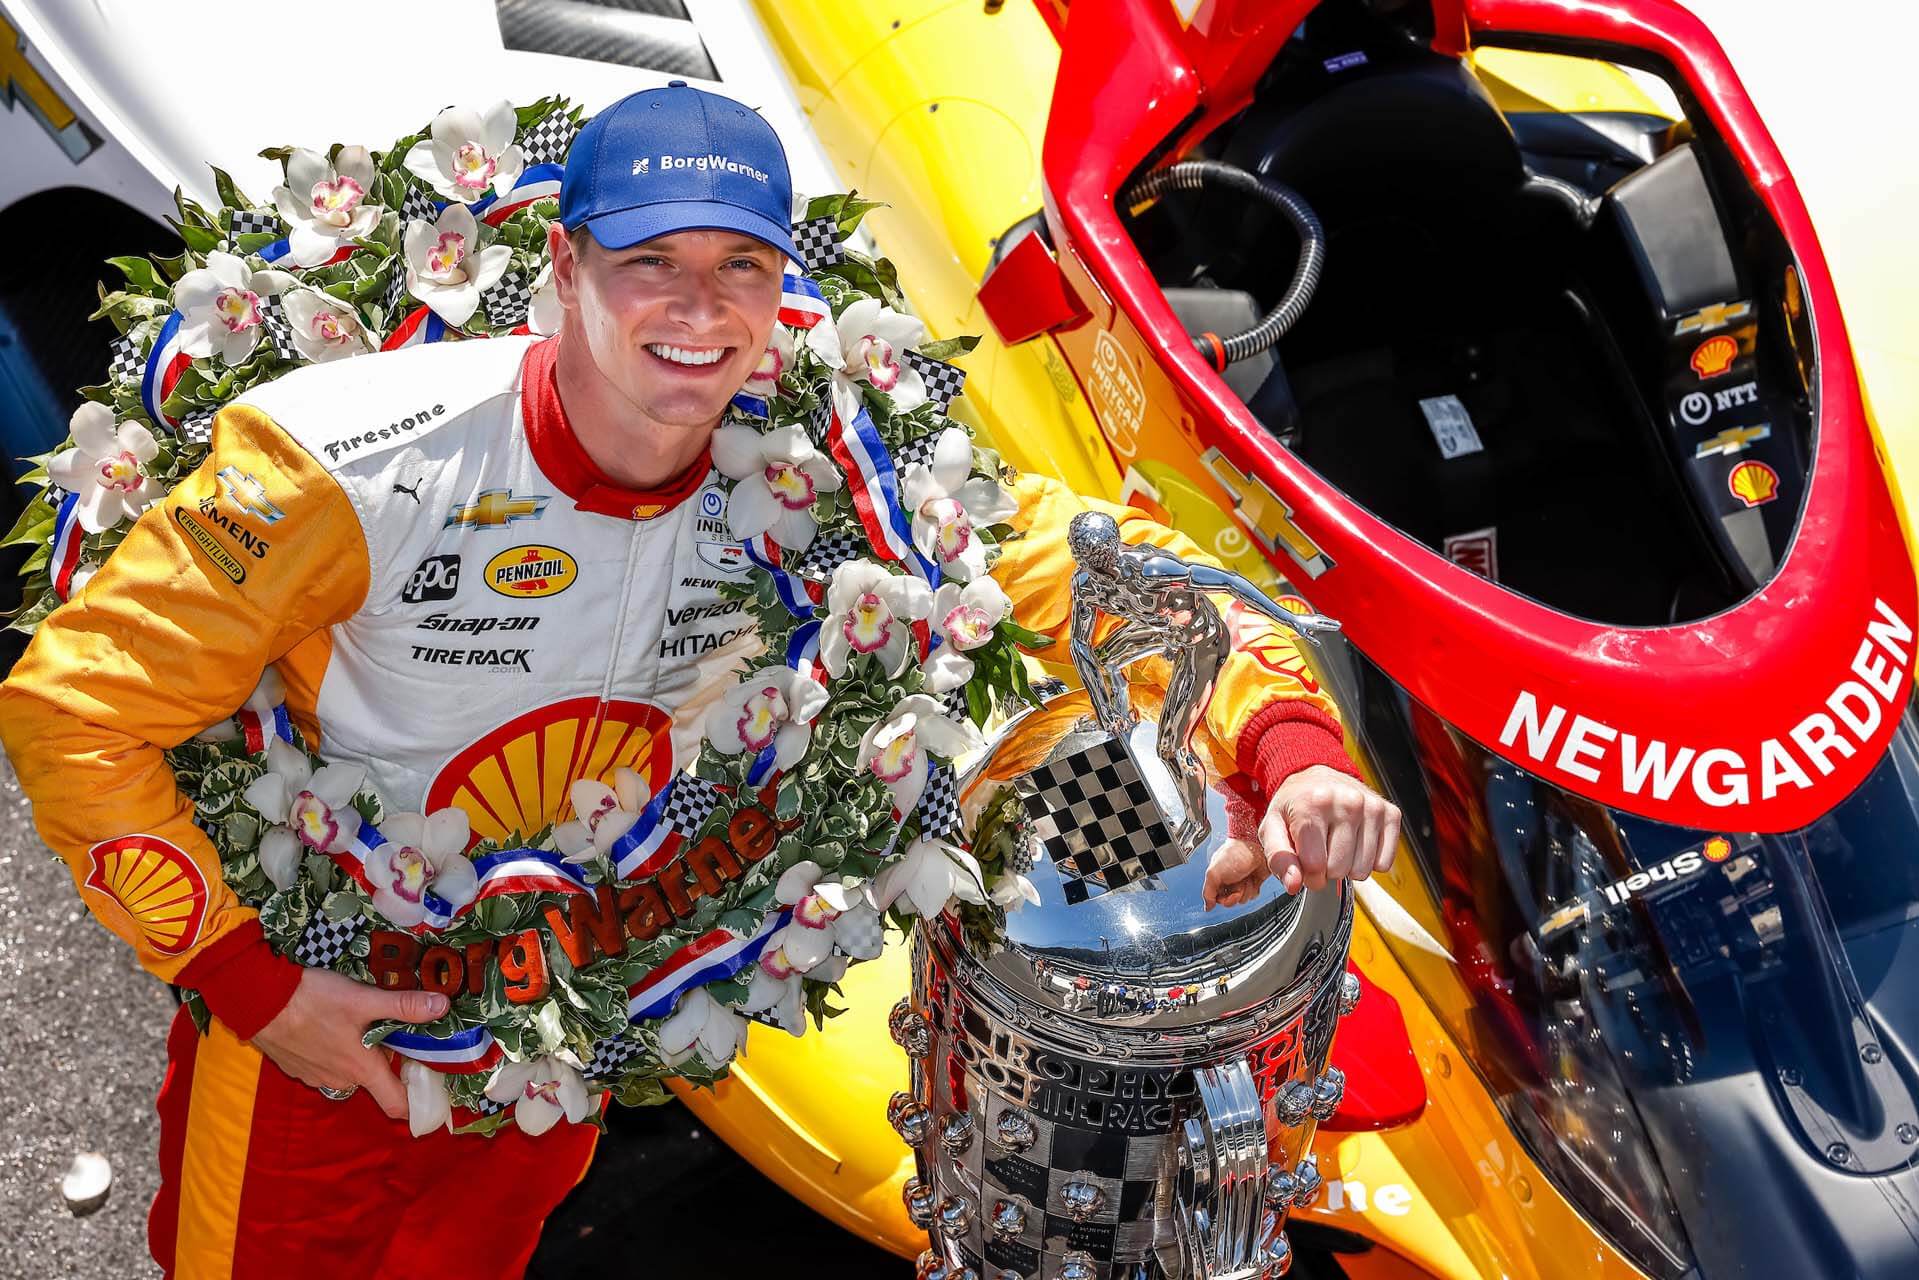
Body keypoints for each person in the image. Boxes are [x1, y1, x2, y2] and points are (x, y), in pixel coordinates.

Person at [0, 82, 1399, 1277]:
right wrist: (251, 984)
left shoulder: (827, 457)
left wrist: (1291, 747)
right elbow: (77, 706)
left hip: (567, 1008)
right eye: (648, 262)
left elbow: (1102, 568)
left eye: (741, 266)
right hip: (335, 1002)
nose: (700, 309)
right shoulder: (345, 460)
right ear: (560, 265)